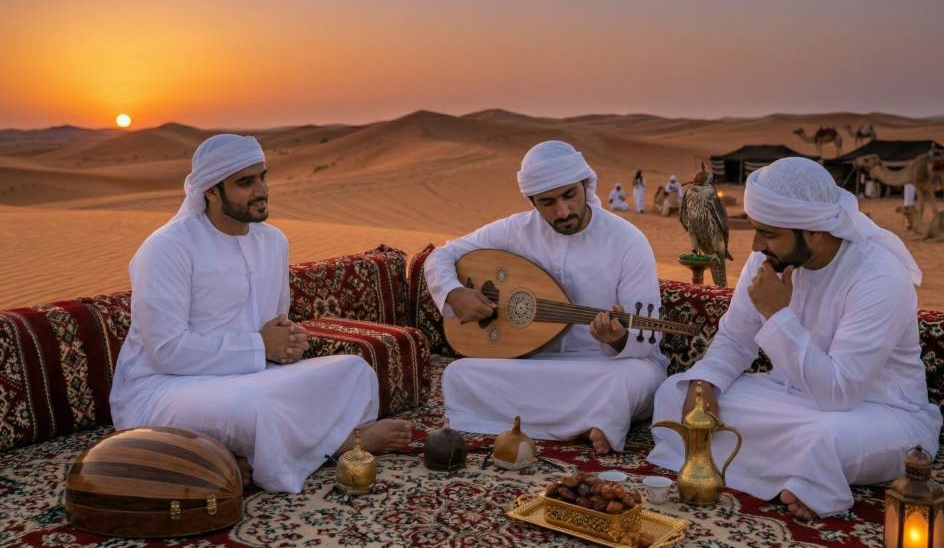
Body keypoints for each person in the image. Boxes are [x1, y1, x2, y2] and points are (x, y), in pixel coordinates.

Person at [109, 134, 412, 493]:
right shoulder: (167, 247)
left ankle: (242, 457)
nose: (262, 191)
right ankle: (340, 445)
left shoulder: (273, 241)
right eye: (245, 182)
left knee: (354, 372)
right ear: (211, 191)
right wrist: (261, 346)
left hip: (250, 375)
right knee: (257, 407)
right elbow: (166, 351)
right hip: (164, 388)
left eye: (263, 177)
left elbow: (273, 326)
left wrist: (288, 343)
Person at [647, 157, 940, 519]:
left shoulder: (879, 276)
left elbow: (839, 393)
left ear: (814, 230)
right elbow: (735, 339)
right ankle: (796, 477)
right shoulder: (769, 259)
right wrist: (705, 380)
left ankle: (803, 475)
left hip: (878, 414)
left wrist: (776, 314)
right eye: (755, 229)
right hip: (789, 399)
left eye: (769, 233)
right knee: (674, 393)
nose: (756, 245)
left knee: (822, 439)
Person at [425, 141, 668, 455]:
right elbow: (442, 255)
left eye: (570, 195)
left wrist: (619, 339)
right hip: (533, 362)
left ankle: (552, 419)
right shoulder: (513, 231)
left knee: (632, 380)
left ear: (586, 184)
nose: (563, 211)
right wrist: (453, 292)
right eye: (548, 202)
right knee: (460, 375)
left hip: (603, 365)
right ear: (532, 201)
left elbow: (648, 340)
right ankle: (586, 422)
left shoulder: (628, 241)